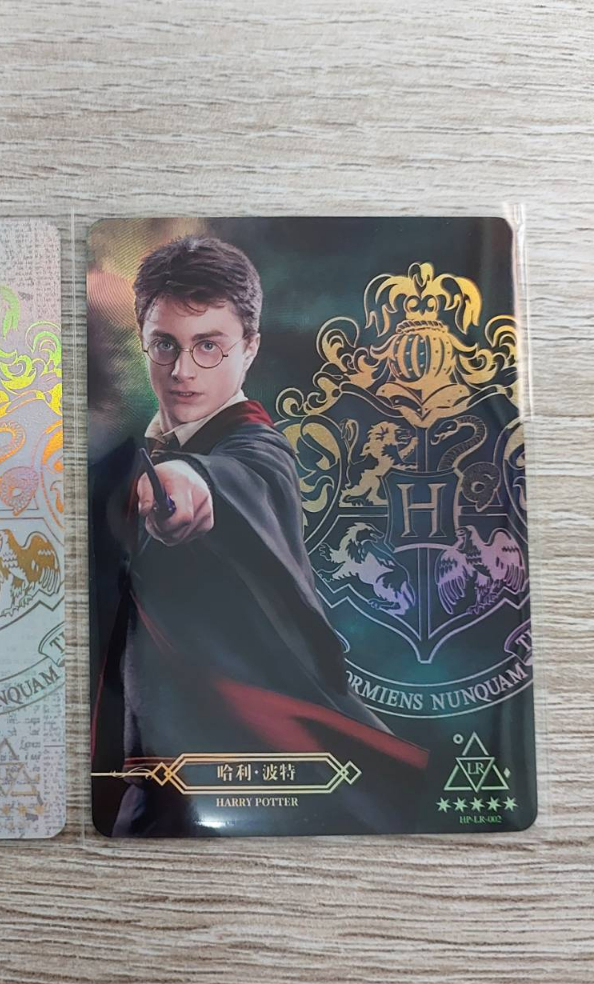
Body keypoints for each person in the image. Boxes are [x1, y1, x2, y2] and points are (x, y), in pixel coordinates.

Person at [89, 235, 428, 837]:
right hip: (155, 759)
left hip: (241, 762)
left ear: (249, 348)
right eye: (165, 344)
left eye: (209, 346)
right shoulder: (142, 446)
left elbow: (230, 481)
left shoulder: (256, 449)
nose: (182, 371)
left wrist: (185, 484)